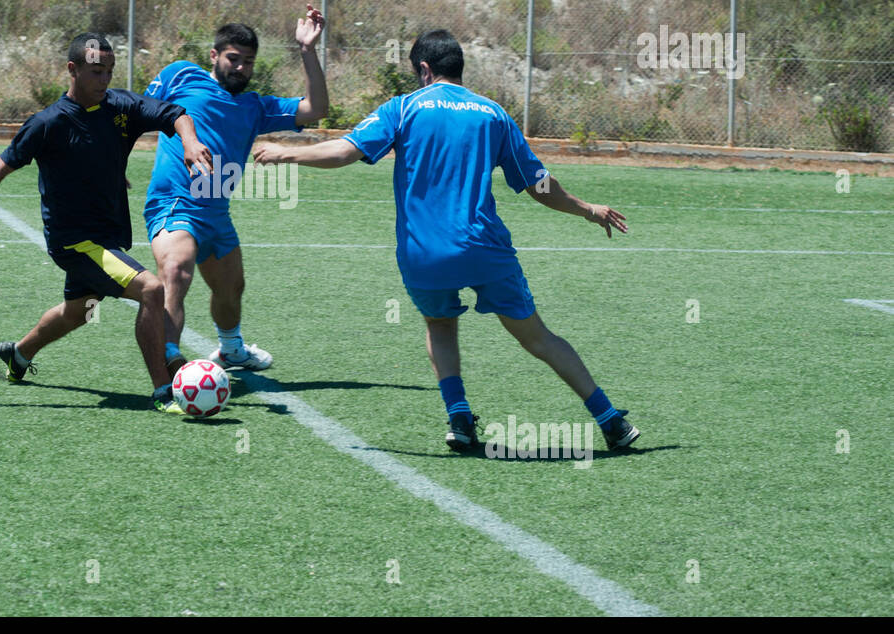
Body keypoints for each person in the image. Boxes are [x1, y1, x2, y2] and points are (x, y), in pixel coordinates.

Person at [253, 29, 640, 453]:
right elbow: (539, 185)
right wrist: (588, 209)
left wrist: (286, 151)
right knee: (538, 338)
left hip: (425, 253)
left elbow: (343, 152)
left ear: (423, 69)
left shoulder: (403, 108)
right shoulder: (493, 114)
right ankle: (609, 419)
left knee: (440, 324)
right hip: (484, 248)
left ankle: (459, 418)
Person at [0, 33, 214, 413]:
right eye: (96, 72)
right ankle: (164, 391)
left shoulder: (120, 107)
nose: (104, 80)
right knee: (151, 289)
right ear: (73, 70)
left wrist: (189, 140)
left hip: (106, 239)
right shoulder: (47, 123)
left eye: (109, 72)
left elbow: (175, 113)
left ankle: (18, 354)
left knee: (79, 311)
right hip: (74, 242)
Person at [143, 8, 327, 377]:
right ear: (214, 56)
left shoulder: (255, 106)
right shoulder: (181, 75)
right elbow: (135, 112)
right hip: (175, 202)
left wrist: (307, 51)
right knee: (176, 272)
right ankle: (169, 372)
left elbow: (316, 109)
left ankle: (231, 350)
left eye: (248, 62)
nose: (240, 67)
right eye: (233, 59)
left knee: (230, 289)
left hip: (216, 213)